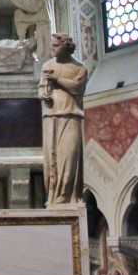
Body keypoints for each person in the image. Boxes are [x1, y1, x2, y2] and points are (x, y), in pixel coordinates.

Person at [38, 33, 88, 207]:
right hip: (50, 116)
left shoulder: (79, 68)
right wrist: (43, 94)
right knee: (52, 161)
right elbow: (41, 87)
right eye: (52, 45)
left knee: (68, 157)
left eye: (55, 46)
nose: (52, 49)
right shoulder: (47, 65)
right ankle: (53, 196)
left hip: (71, 116)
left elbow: (77, 88)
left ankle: (66, 196)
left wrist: (57, 79)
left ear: (66, 46)